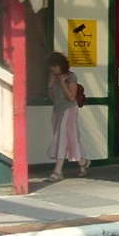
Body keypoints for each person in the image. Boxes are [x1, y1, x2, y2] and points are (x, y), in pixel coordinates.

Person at [45, 52, 89, 182]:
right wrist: (51, 84)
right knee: (68, 138)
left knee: (61, 138)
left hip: (69, 109)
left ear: (61, 65)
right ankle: (82, 162)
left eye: (54, 66)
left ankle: (57, 172)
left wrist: (62, 83)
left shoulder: (70, 76)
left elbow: (71, 97)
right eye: (51, 66)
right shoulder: (53, 77)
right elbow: (52, 97)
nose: (53, 69)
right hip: (57, 109)